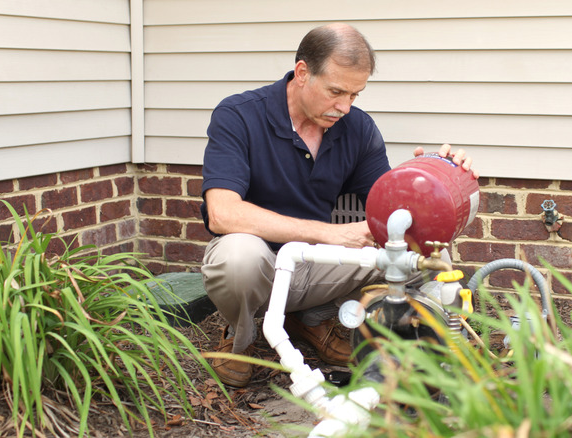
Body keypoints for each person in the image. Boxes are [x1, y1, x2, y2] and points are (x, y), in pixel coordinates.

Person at [200, 23, 476, 388]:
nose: (344, 106)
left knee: (423, 261)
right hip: (263, 265)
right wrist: (330, 234)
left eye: (354, 95)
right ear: (302, 73)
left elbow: (390, 210)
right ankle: (240, 339)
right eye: (335, 92)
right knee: (238, 255)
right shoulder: (239, 115)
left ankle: (316, 320)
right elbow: (223, 213)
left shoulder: (357, 129)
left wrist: (434, 176)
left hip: (318, 266)